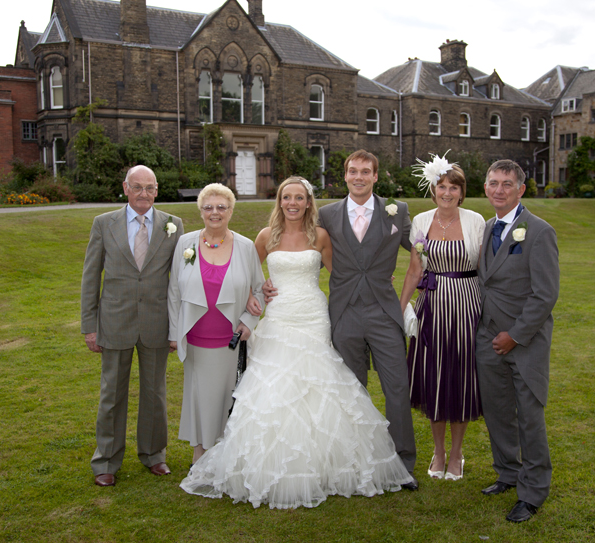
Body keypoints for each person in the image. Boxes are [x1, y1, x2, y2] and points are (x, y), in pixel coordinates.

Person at [180, 176, 412, 508]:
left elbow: (343, 273)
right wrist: (251, 294)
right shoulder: (265, 236)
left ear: (307, 202)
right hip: (279, 318)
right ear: (280, 201)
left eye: (299, 198)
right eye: (286, 197)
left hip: (313, 316)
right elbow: (241, 271)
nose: (292, 203)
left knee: (316, 383)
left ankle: (326, 461)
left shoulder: (320, 236)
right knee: (275, 385)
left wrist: (375, 277)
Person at [307, 149, 418, 490]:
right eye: (352, 171)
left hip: (385, 313)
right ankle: (357, 461)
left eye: (365, 171)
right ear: (345, 176)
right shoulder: (326, 214)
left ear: (375, 176)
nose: (358, 176)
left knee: (397, 388)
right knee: (352, 390)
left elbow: (421, 251)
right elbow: (304, 250)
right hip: (345, 312)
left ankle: (402, 464)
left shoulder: (397, 211)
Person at [81, 165, 183, 487]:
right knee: (112, 394)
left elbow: (180, 280)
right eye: (137, 187)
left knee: (155, 393)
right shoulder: (103, 224)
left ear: (157, 190)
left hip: (157, 322)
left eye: (149, 188)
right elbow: (90, 276)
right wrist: (89, 325)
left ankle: (154, 455)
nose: (143, 194)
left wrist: (177, 327)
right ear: (125, 188)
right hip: (114, 321)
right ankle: (107, 462)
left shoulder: (173, 225)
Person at [476, 159, 560, 522]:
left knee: (529, 416)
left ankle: (533, 491)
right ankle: (508, 473)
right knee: (497, 412)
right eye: (493, 183)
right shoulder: (487, 227)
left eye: (507, 184)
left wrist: (516, 335)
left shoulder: (539, 231)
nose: (499, 189)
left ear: (521, 189)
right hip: (487, 337)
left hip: (523, 339)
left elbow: (545, 294)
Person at [399, 158, 485, 481]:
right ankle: (438, 451)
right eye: (442, 186)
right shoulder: (420, 221)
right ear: (433, 189)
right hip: (432, 307)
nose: (447, 193)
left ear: (462, 193)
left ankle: (458, 453)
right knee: (433, 379)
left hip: (466, 305)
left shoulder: (476, 221)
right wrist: (401, 307)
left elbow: (486, 270)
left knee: (461, 379)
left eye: (453, 187)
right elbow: (414, 270)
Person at [167, 183, 264, 466]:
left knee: (226, 397)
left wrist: (249, 322)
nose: (215, 212)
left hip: (230, 339)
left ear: (231, 210)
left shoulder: (245, 247)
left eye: (221, 207)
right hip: (195, 337)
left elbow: (258, 291)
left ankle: (224, 453)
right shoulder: (185, 244)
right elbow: (173, 291)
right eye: (208, 207)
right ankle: (200, 453)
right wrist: (175, 333)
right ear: (200, 211)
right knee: (198, 396)